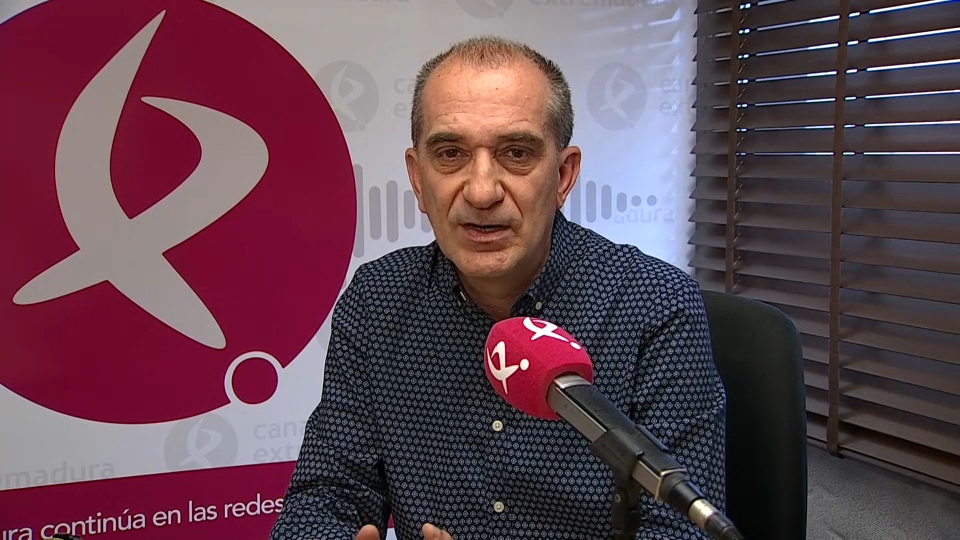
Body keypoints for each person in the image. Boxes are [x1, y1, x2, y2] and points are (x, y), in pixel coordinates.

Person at [270, 35, 726, 540]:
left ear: (563, 175)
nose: (482, 191)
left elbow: (682, 530)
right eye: (450, 154)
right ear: (418, 179)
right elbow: (326, 494)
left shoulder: (654, 304)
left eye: (516, 153)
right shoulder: (378, 300)